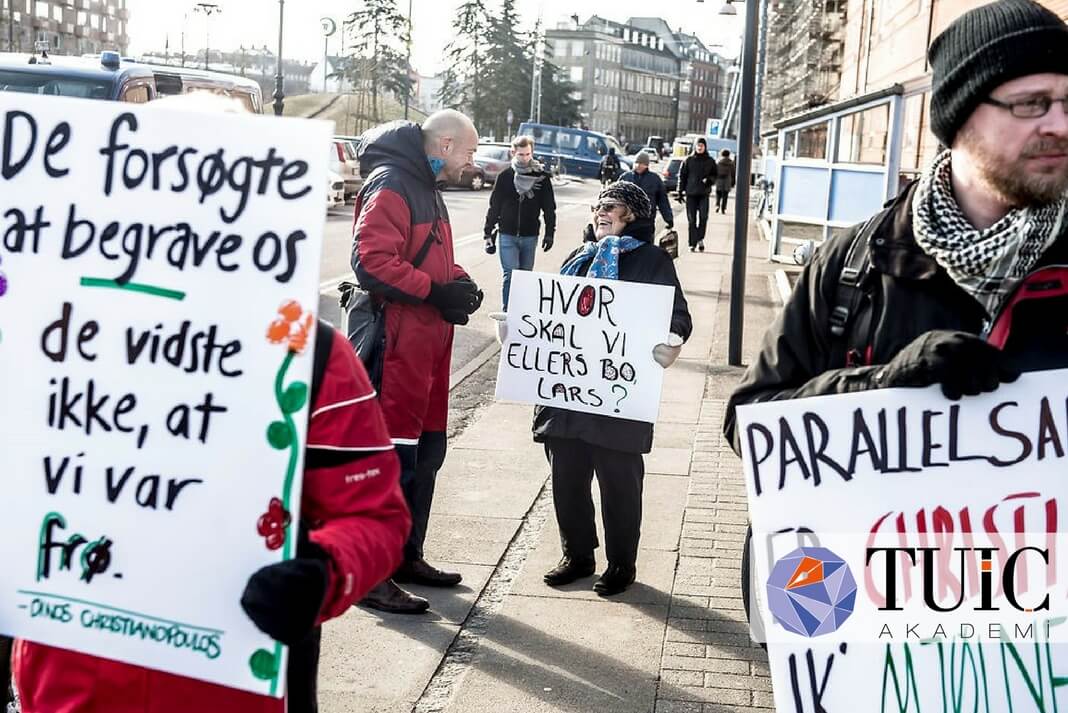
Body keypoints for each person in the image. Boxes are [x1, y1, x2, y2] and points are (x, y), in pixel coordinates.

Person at [724, 0, 1068, 617]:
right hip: (876, 629)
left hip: (1037, 640)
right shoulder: (853, 263)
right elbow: (751, 424)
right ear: (959, 116)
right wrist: (879, 386)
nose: (1060, 125)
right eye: (1031, 104)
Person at [14, 321, 410, 713]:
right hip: (63, 685)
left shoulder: (309, 352)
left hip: (239, 684)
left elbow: (376, 516)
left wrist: (326, 570)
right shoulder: (29, 322)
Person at [351, 109, 484, 614]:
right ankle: (372, 576)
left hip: (426, 348)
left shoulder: (424, 185)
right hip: (398, 346)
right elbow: (371, 261)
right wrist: (435, 291)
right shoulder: (394, 183)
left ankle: (407, 556)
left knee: (424, 458)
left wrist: (459, 281)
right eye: (470, 153)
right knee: (390, 464)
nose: (473, 163)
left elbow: (428, 254)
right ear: (445, 144)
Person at [531, 182, 692, 596]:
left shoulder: (652, 260)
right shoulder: (577, 256)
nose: (600, 212)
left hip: (618, 398)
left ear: (633, 214)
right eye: (597, 206)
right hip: (568, 396)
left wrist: (672, 338)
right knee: (567, 480)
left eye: (610, 206)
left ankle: (622, 563)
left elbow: (678, 313)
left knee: (620, 485)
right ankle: (578, 556)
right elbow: (551, 313)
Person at [483, 135, 557, 310]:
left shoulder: (542, 178)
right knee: (511, 274)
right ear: (513, 153)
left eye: (527, 154)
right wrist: (488, 231)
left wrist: (550, 233)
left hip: (530, 235)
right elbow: (495, 205)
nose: (524, 158)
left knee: (524, 277)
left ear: (532, 153)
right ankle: (508, 313)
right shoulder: (505, 176)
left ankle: (520, 313)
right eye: (521, 154)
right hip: (507, 234)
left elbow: (549, 208)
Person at [620, 151, 675, 232]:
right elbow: (615, 197)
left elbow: (663, 201)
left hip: (647, 220)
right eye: (636, 163)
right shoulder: (626, 177)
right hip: (627, 219)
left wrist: (668, 219)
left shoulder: (655, 179)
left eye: (641, 164)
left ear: (646, 165)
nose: (638, 166)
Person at [677, 137, 716, 252]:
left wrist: (709, 181)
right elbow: (682, 176)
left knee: (703, 218)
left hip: (704, 193)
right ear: (695, 146)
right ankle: (692, 243)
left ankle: (700, 238)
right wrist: (680, 191)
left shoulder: (710, 161)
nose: (700, 147)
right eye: (698, 145)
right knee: (692, 220)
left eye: (702, 146)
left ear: (705, 147)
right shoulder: (688, 160)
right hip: (691, 193)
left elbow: (715, 175)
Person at [714, 149, 736, 214]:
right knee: (725, 196)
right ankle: (723, 208)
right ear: (729, 155)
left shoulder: (718, 162)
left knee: (718, 194)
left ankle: (717, 205)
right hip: (727, 181)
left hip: (719, 180)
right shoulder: (731, 163)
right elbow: (733, 173)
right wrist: (733, 182)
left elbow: (714, 171)